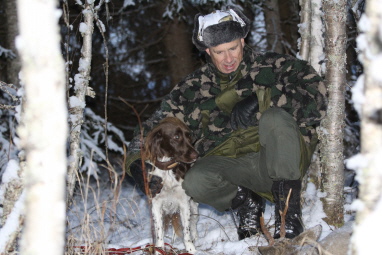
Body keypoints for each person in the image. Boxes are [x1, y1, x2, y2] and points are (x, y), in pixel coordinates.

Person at [126, 6, 327, 240]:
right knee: (195, 180)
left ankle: (288, 218)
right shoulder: (192, 88)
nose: (229, 59)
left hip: (280, 160)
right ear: (208, 51)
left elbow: (319, 97)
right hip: (233, 169)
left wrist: (262, 101)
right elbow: (153, 128)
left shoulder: (276, 66)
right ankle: (247, 204)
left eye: (232, 48)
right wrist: (136, 166)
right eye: (220, 52)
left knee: (273, 117)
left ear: (243, 40)